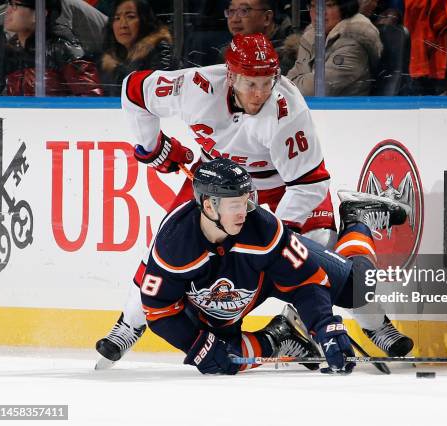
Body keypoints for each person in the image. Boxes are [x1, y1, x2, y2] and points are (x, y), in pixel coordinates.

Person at [95, 33, 413, 367]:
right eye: (250, 83)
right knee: (165, 245)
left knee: (320, 260)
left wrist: (272, 238)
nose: (259, 93)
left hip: (286, 188)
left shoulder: (288, 112)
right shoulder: (195, 88)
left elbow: (308, 185)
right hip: (218, 185)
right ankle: (129, 324)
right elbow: (134, 90)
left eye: (266, 82)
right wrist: (152, 147)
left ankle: (370, 308)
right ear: (231, 76)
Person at [139, 158, 411, 374]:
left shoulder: (263, 229)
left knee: (358, 290)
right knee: (225, 359)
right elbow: (158, 310)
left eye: (246, 202)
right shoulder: (172, 245)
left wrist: (324, 325)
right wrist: (195, 345)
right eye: (235, 204)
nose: (244, 212)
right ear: (209, 206)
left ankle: (357, 216)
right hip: (223, 300)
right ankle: (279, 336)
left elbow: (305, 280)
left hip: (268, 273)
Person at [2, 0, 103, 96]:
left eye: (15, 5)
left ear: (39, 14)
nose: (8, 10)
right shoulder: (10, 50)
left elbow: (90, 96)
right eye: (9, 4)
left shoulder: (61, 46)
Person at [286, 0, 383, 96]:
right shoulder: (311, 37)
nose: (319, 12)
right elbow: (289, 81)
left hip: (345, 109)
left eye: (328, 5)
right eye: (313, 5)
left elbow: (314, 90)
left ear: (345, 8)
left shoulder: (353, 41)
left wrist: (291, 84)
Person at [99, 0, 178, 96]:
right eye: (117, 18)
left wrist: (118, 71)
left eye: (130, 17)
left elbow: (159, 94)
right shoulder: (108, 59)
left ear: (144, 20)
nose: (123, 25)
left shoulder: (160, 50)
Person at [220, 0, 299, 75]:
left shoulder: (292, 55)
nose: (234, 20)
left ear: (267, 17)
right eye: (231, 11)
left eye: (244, 11)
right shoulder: (227, 52)